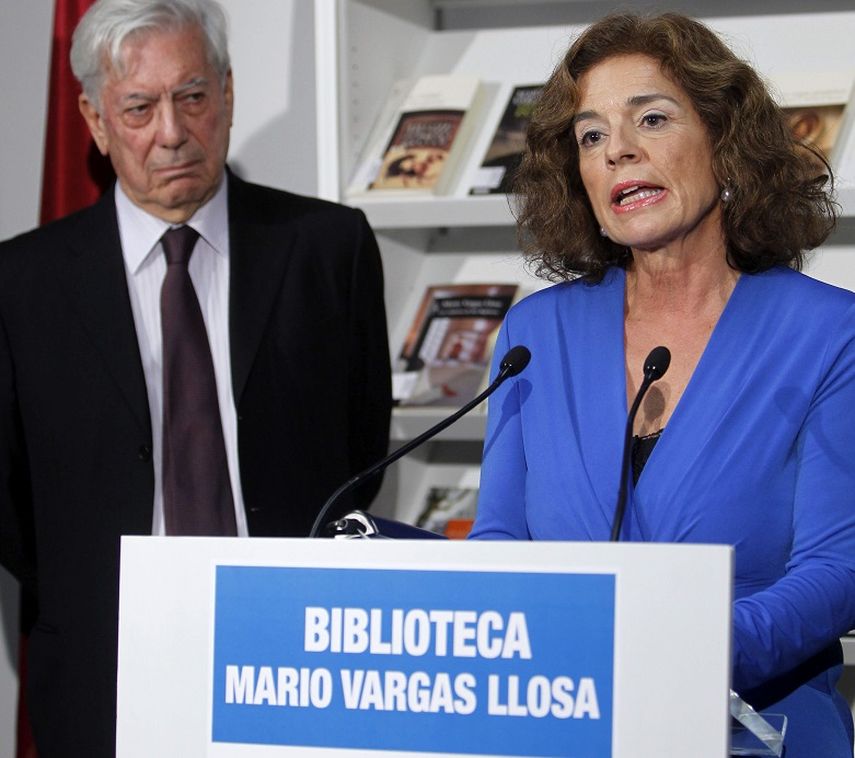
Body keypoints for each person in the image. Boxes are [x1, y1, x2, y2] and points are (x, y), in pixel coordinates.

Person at [0, 0, 391, 755]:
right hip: (102, 666)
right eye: (140, 107)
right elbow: (14, 508)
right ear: (94, 119)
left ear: (229, 94)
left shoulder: (327, 248)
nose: (172, 132)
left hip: (294, 654)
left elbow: (359, 451)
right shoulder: (22, 283)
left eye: (192, 97)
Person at [469, 12, 855, 757]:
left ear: (723, 141)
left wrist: (686, 653)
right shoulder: (532, 338)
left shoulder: (828, 334)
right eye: (590, 135)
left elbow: (837, 569)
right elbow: (499, 542)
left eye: (650, 117)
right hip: (558, 729)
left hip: (753, 733)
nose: (617, 149)